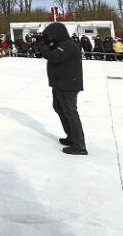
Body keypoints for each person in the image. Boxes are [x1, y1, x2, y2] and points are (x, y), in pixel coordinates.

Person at [36, 22, 87, 156]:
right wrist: (44, 43)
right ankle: (72, 137)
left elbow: (53, 56)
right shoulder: (61, 44)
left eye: (50, 35)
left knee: (70, 112)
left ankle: (79, 145)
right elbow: (49, 52)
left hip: (68, 85)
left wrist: (43, 45)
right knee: (59, 108)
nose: (49, 38)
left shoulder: (68, 45)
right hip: (60, 83)